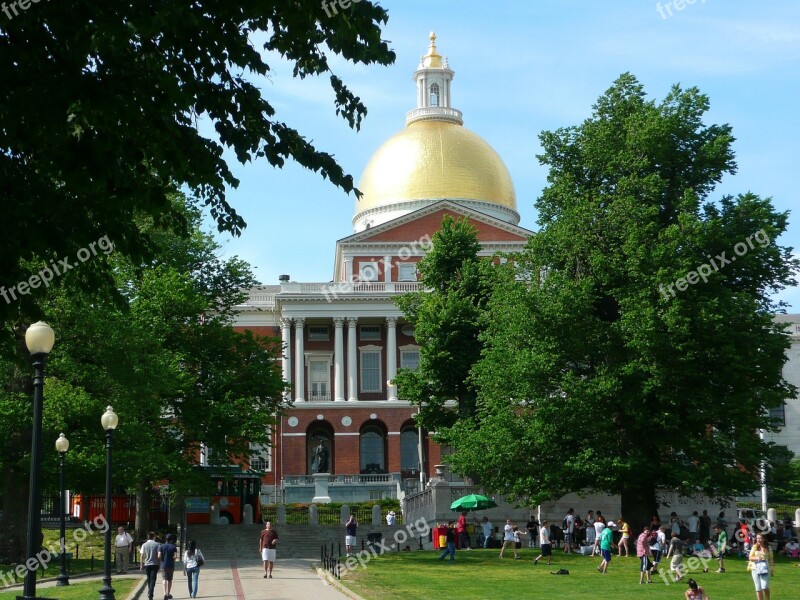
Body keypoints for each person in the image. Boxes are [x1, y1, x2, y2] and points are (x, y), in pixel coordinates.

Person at [748, 533, 774, 600]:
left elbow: (771, 558)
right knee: (758, 588)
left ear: (764, 539)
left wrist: (772, 568)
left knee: (765, 586)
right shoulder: (754, 547)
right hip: (755, 568)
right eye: (757, 538)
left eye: (760, 538)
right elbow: (750, 557)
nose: (758, 540)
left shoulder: (768, 547)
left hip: (765, 569)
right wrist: (757, 558)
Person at [139, 531, 160, 600]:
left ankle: (149, 591)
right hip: (155, 564)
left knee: (149, 578)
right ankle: (150, 592)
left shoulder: (144, 545)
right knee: (153, 579)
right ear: (154, 537)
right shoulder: (157, 544)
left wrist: (141, 564)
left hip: (147, 564)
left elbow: (142, 555)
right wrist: (159, 564)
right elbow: (159, 555)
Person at [158, 533, 178, 600]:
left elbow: (159, 556)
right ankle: (168, 593)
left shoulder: (161, 546)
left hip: (163, 564)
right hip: (171, 565)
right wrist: (173, 558)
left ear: (165, 539)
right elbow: (175, 557)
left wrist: (162, 559)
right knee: (169, 579)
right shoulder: (173, 547)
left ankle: (164, 593)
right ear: (171, 539)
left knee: (164, 579)